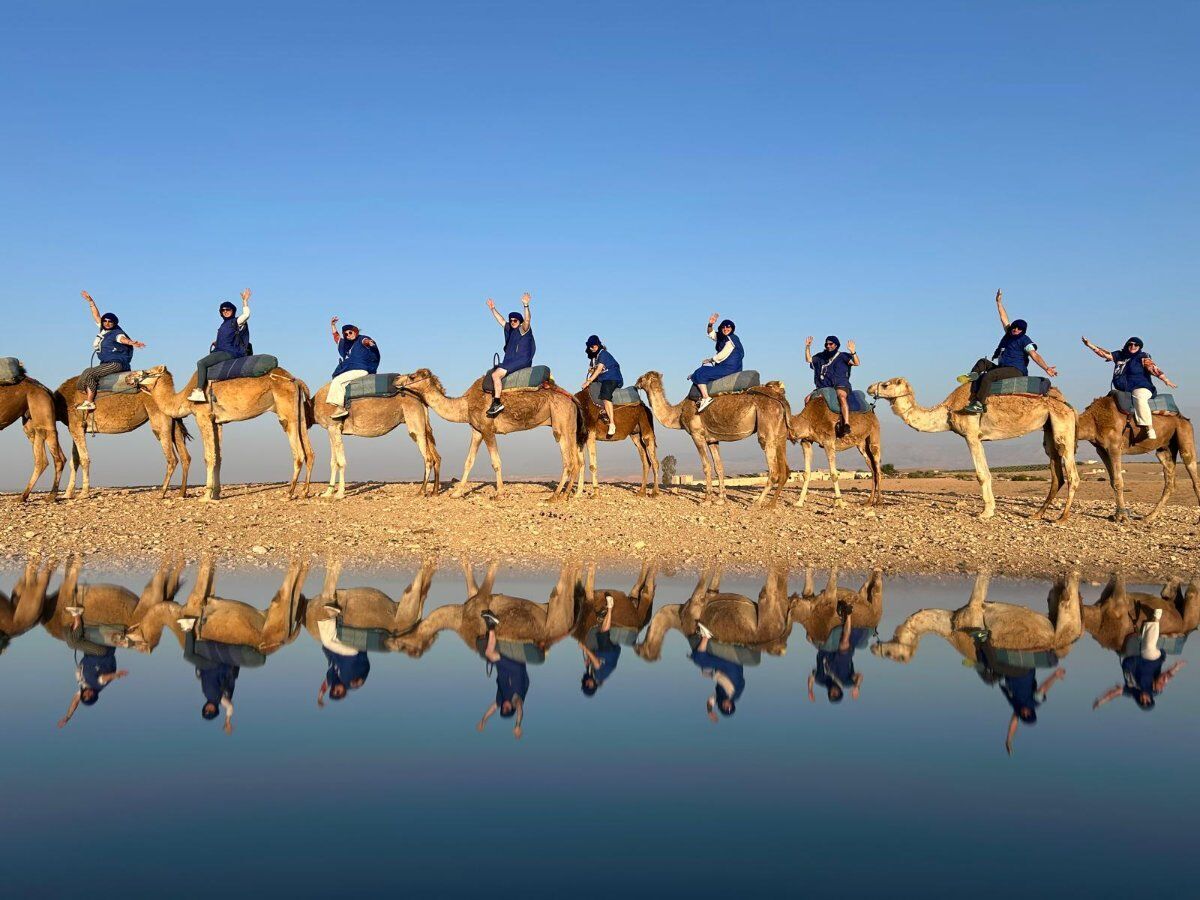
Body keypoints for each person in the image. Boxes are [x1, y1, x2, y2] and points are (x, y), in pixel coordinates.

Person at [957, 290, 1057, 415]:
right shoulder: (1009, 334)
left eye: (1019, 328)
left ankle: (979, 404)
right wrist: (998, 302)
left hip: (1015, 370)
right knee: (983, 362)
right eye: (1014, 327)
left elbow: (1034, 355)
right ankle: (973, 375)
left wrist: (1046, 368)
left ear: (1023, 330)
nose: (1015, 329)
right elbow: (1003, 318)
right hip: (1003, 367)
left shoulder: (1024, 340)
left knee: (989, 376)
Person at [1081, 335, 1178, 441]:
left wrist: (1165, 380)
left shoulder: (1143, 356)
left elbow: (1153, 368)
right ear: (1127, 345)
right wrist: (1089, 345)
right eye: (1130, 344)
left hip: (1141, 387)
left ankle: (1149, 427)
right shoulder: (1119, 355)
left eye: (1136, 344)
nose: (1133, 346)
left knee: (1139, 397)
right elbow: (1104, 354)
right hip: (1124, 390)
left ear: (1139, 347)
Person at [1093, 608, 1187, 711]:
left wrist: (1101, 701)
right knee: (1149, 648)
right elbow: (1164, 677)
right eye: (1148, 701)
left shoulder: (1131, 692)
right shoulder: (1155, 690)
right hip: (1152, 660)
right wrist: (1176, 668)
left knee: (1116, 644)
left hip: (1132, 660)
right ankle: (1156, 619)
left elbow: (1114, 693)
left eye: (1143, 702)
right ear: (1151, 698)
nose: (1145, 699)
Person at [57, 605, 130, 727]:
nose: (87, 694)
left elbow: (75, 701)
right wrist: (116, 675)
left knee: (67, 635)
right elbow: (105, 678)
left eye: (85, 696)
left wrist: (68, 716)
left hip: (91, 652)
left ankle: (76, 618)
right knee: (72, 642)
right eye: (90, 696)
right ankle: (77, 614)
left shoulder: (83, 686)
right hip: (101, 652)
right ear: (94, 695)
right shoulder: (97, 685)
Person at [75, 290, 145, 412]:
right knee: (86, 372)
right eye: (105, 321)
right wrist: (91, 302)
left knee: (90, 373)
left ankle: (90, 402)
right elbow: (96, 316)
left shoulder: (116, 333)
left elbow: (122, 339)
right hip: (107, 363)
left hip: (115, 363)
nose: (107, 323)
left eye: (110, 321)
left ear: (114, 323)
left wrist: (131, 342)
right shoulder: (104, 330)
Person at [188, 289, 252, 403]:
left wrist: (245, 301)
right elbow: (228, 338)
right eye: (223, 310)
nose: (226, 311)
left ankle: (199, 391)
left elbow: (246, 315)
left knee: (201, 363)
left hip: (229, 353)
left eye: (228, 309)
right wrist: (217, 343)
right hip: (222, 350)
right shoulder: (224, 325)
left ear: (233, 311)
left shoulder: (236, 321)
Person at [178, 615, 238, 734]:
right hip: (215, 666)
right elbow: (230, 707)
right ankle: (188, 626)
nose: (208, 708)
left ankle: (200, 623)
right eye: (211, 710)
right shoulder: (220, 700)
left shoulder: (207, 695)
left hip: (206, 667)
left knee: (192, 653)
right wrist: (227, 721)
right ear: (216, 710)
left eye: (206, 710)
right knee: (188, 656)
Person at [476, 610, 527, 738]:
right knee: (489, 654)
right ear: (512, 708)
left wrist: (484, 720)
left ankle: (492, 626)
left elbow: (493, 708)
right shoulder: (516, 700)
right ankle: (492, 624)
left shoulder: (501, 700)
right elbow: (520, 710)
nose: (504, 707)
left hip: (503, 667)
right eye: (507, 709)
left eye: (503, 709)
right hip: (515, 668)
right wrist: (518, 725)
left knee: (487, 653)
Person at [483, 292, 534, 418]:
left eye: (515, 320)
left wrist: (526, 305)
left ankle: (497, 403)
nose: (512, 322)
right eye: (511, 320)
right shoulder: (510, 329)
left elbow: (527, 320)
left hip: (521, 359)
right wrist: (492, 309)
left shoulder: (523, 329)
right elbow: (501, 320)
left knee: (496, 375)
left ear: (520, 321)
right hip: (510, 359)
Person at [807, 600, 865, 703]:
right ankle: (848, 613)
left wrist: (810, 690)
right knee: (844, 643)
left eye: (831, 695)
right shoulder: (846, 683)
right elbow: (859, 676)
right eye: (836, 695)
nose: (833, 693)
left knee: (809, 637)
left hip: (825, 651)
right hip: (842, 656)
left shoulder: (822, 680)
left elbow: (811, 678)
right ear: (840, 693)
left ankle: (814, 606)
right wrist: (857, 687)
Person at [315, 601, 372, 704]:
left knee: (325, 640)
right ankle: (332, 614)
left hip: (342, 650)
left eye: (333, 691)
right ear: (343, 693)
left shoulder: (332, 678)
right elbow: (365, 670)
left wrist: (320, 696)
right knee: (327, 641)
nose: (335, 690)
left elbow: (325, 685)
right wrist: (360, 679)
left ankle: (330, 615)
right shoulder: (350, 684)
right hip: (353, 653)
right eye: (338, 693)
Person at [324, 318, 381, 419]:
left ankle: (340, 408)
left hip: (360, 369)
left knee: (337, 381)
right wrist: (332, 326)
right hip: (352, 370)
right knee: (342, 384)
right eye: (345, 334)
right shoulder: (345, 345)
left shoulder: (361, 339)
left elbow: (366, 341)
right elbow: (337, 338)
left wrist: (370, 343)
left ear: (355, 331)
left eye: (350, 332)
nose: (348, 335)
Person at [806, 335, 860, 437]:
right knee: (807, 399)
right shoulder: (821, 357)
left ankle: (846, 424)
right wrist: (807, 347)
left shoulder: (843, 356)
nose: (828, 346)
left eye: (831, 344)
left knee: (841, 396)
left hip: (841, 384)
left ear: (836, 345)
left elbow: (856, 363)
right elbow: (809, 360)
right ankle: (812, 424)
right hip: (826, 386)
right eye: (826, 344)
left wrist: (853, 352)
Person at [689, 314, 744, 412]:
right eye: (724, 327)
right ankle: (696, 377)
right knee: (704, 367)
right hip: (725, 365)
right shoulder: (722, 337)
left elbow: (723, 354)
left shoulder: (731, 339)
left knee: (701, 372)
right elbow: (711, 334)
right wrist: (710, 324)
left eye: (728, 327)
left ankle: (705, 398)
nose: (726, 329)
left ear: (732, 328)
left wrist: (710, 359)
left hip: (729, 368)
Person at [690, 622, 745, 720]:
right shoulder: (733, 695)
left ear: (721, 707)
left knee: (701, 661)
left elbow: (710, 701)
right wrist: (711, 674)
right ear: (732, 705)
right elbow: (723, 680)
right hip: (731, 668)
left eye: (725, 708)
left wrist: (710, 711)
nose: (726, 706)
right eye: (729, 707)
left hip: (729, 668)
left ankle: (708, 637)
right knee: (700, 659)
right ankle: (706, 636)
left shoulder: (720, 698)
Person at [581, 335, 624, 437]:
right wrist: (591, 375)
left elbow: (599, 369)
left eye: (594, 345)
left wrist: (589, 380)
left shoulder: (603, 354)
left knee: (605, 395)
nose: (592, 348)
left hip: (612, 377)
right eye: (591, 346)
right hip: (602, 379)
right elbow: (594, 370)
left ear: (598, 345)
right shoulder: (594, 359)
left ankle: (612, 423)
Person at [579, 594, 620, 696]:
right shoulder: (598, 677)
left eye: (585, 684)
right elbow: (597, 663)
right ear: (594, 686)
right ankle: (610, 607)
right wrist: (585, 649)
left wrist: (588, 660)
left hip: (603, 654)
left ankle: (599, 619)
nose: (587, 683)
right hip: (609, 654)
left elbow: (593, 661)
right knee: (602, 635)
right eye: (589, 685)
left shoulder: (592, 674)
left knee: (591, 638)